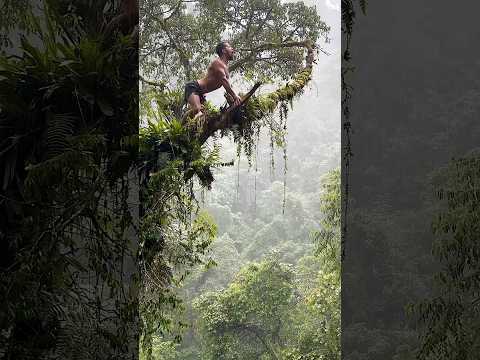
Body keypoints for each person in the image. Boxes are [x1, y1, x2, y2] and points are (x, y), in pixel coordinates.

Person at [184, 41, 242, 120]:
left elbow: (227, 85)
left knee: (206, 119)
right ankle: (183, 121)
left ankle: (186, 118)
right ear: (223, 51)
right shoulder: (217, 63)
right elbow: (224, 81)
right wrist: (234, 96)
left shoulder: (226, 68)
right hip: (193, 88)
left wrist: (233, 99)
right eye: (229, 47)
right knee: (198, 112)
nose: (232, 49)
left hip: (201, 94)